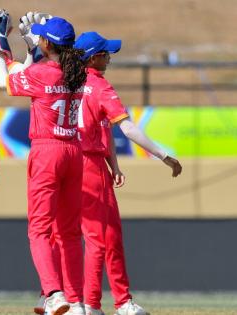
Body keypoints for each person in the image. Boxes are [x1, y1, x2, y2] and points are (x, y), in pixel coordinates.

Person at [73, 31, 182, 315]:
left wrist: (114, 166)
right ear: (95, 57)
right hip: (88, 166)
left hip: (79, 162)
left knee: (111, 236)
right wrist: (164, 156)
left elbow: (103, 127)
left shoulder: (70, 81)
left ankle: (122, 302)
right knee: (97, 238)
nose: (109, 58)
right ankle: (91, 305)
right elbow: (128, 128)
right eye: (106, 53)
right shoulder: (99, 86)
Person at [0, 15, 88, 315]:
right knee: (71, 232)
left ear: (47, 43)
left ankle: (53, 293)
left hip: (47, 151)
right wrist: (34, 48)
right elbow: (40, 69)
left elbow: (4, 81)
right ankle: (76, 302)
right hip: (74, 150)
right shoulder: (77, 71)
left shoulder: (42, 73)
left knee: (39, 231)